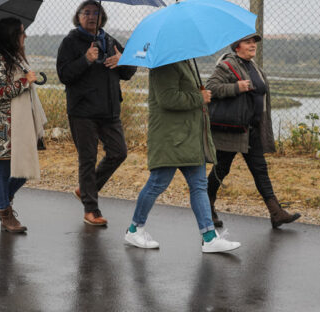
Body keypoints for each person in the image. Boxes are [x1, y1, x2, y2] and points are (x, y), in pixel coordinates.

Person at [124, 59, 241, 253]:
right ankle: (134, 229)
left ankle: (209, 237)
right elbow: (167, 98)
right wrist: (199, 97)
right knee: (157, 184)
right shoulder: (165, 64)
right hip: (171, 139)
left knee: (199, 185)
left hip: (188, 138)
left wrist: (199, 96)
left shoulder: (184, 62)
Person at [205, 34, 301, 229]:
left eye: (254, 42)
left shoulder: (253, 67)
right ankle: (207, 208)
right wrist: (235, 87)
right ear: (237, 46)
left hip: (252, 129)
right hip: (232, 130)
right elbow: (211, 88)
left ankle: (276, 213)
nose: (253, 45)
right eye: (248, 42)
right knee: (222, 168)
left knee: (260, 170)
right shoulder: (227, 65)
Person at [56, 0, 136, 226]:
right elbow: (64, 74)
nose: (92, 16)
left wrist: (122, 61)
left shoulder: (110, 41)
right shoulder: (70, 42)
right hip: (82, 111)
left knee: (119, 152)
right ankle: (91, 210)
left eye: (96, 13)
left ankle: (86, 190)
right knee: (88, 159)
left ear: (103, 17)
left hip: (109, 110)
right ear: (78, 16)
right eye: (86, 12)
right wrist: (86, 59)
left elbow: (129, 72)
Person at [0, 17, 46, 234]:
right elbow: (1, 92)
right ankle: (5, 213)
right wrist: (25, 81)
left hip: (19, 126)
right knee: (2, 169)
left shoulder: (14, 59)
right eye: (21, 32)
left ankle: (2, 201)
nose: (25, 35)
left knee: (24, 168)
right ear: (10, 36)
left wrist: (27, 79)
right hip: (1, 127)